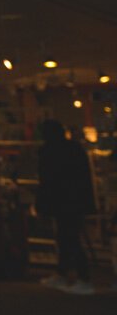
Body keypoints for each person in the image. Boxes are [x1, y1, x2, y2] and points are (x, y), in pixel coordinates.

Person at [36, 118, 96, 295]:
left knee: (67, 239)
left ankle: (80, 277)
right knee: (69, 238)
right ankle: (72, 275)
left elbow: (47, 181)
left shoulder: (49, 151)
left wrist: (42, 205)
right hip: (74, 201)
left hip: (62, 202)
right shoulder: (73, 149)